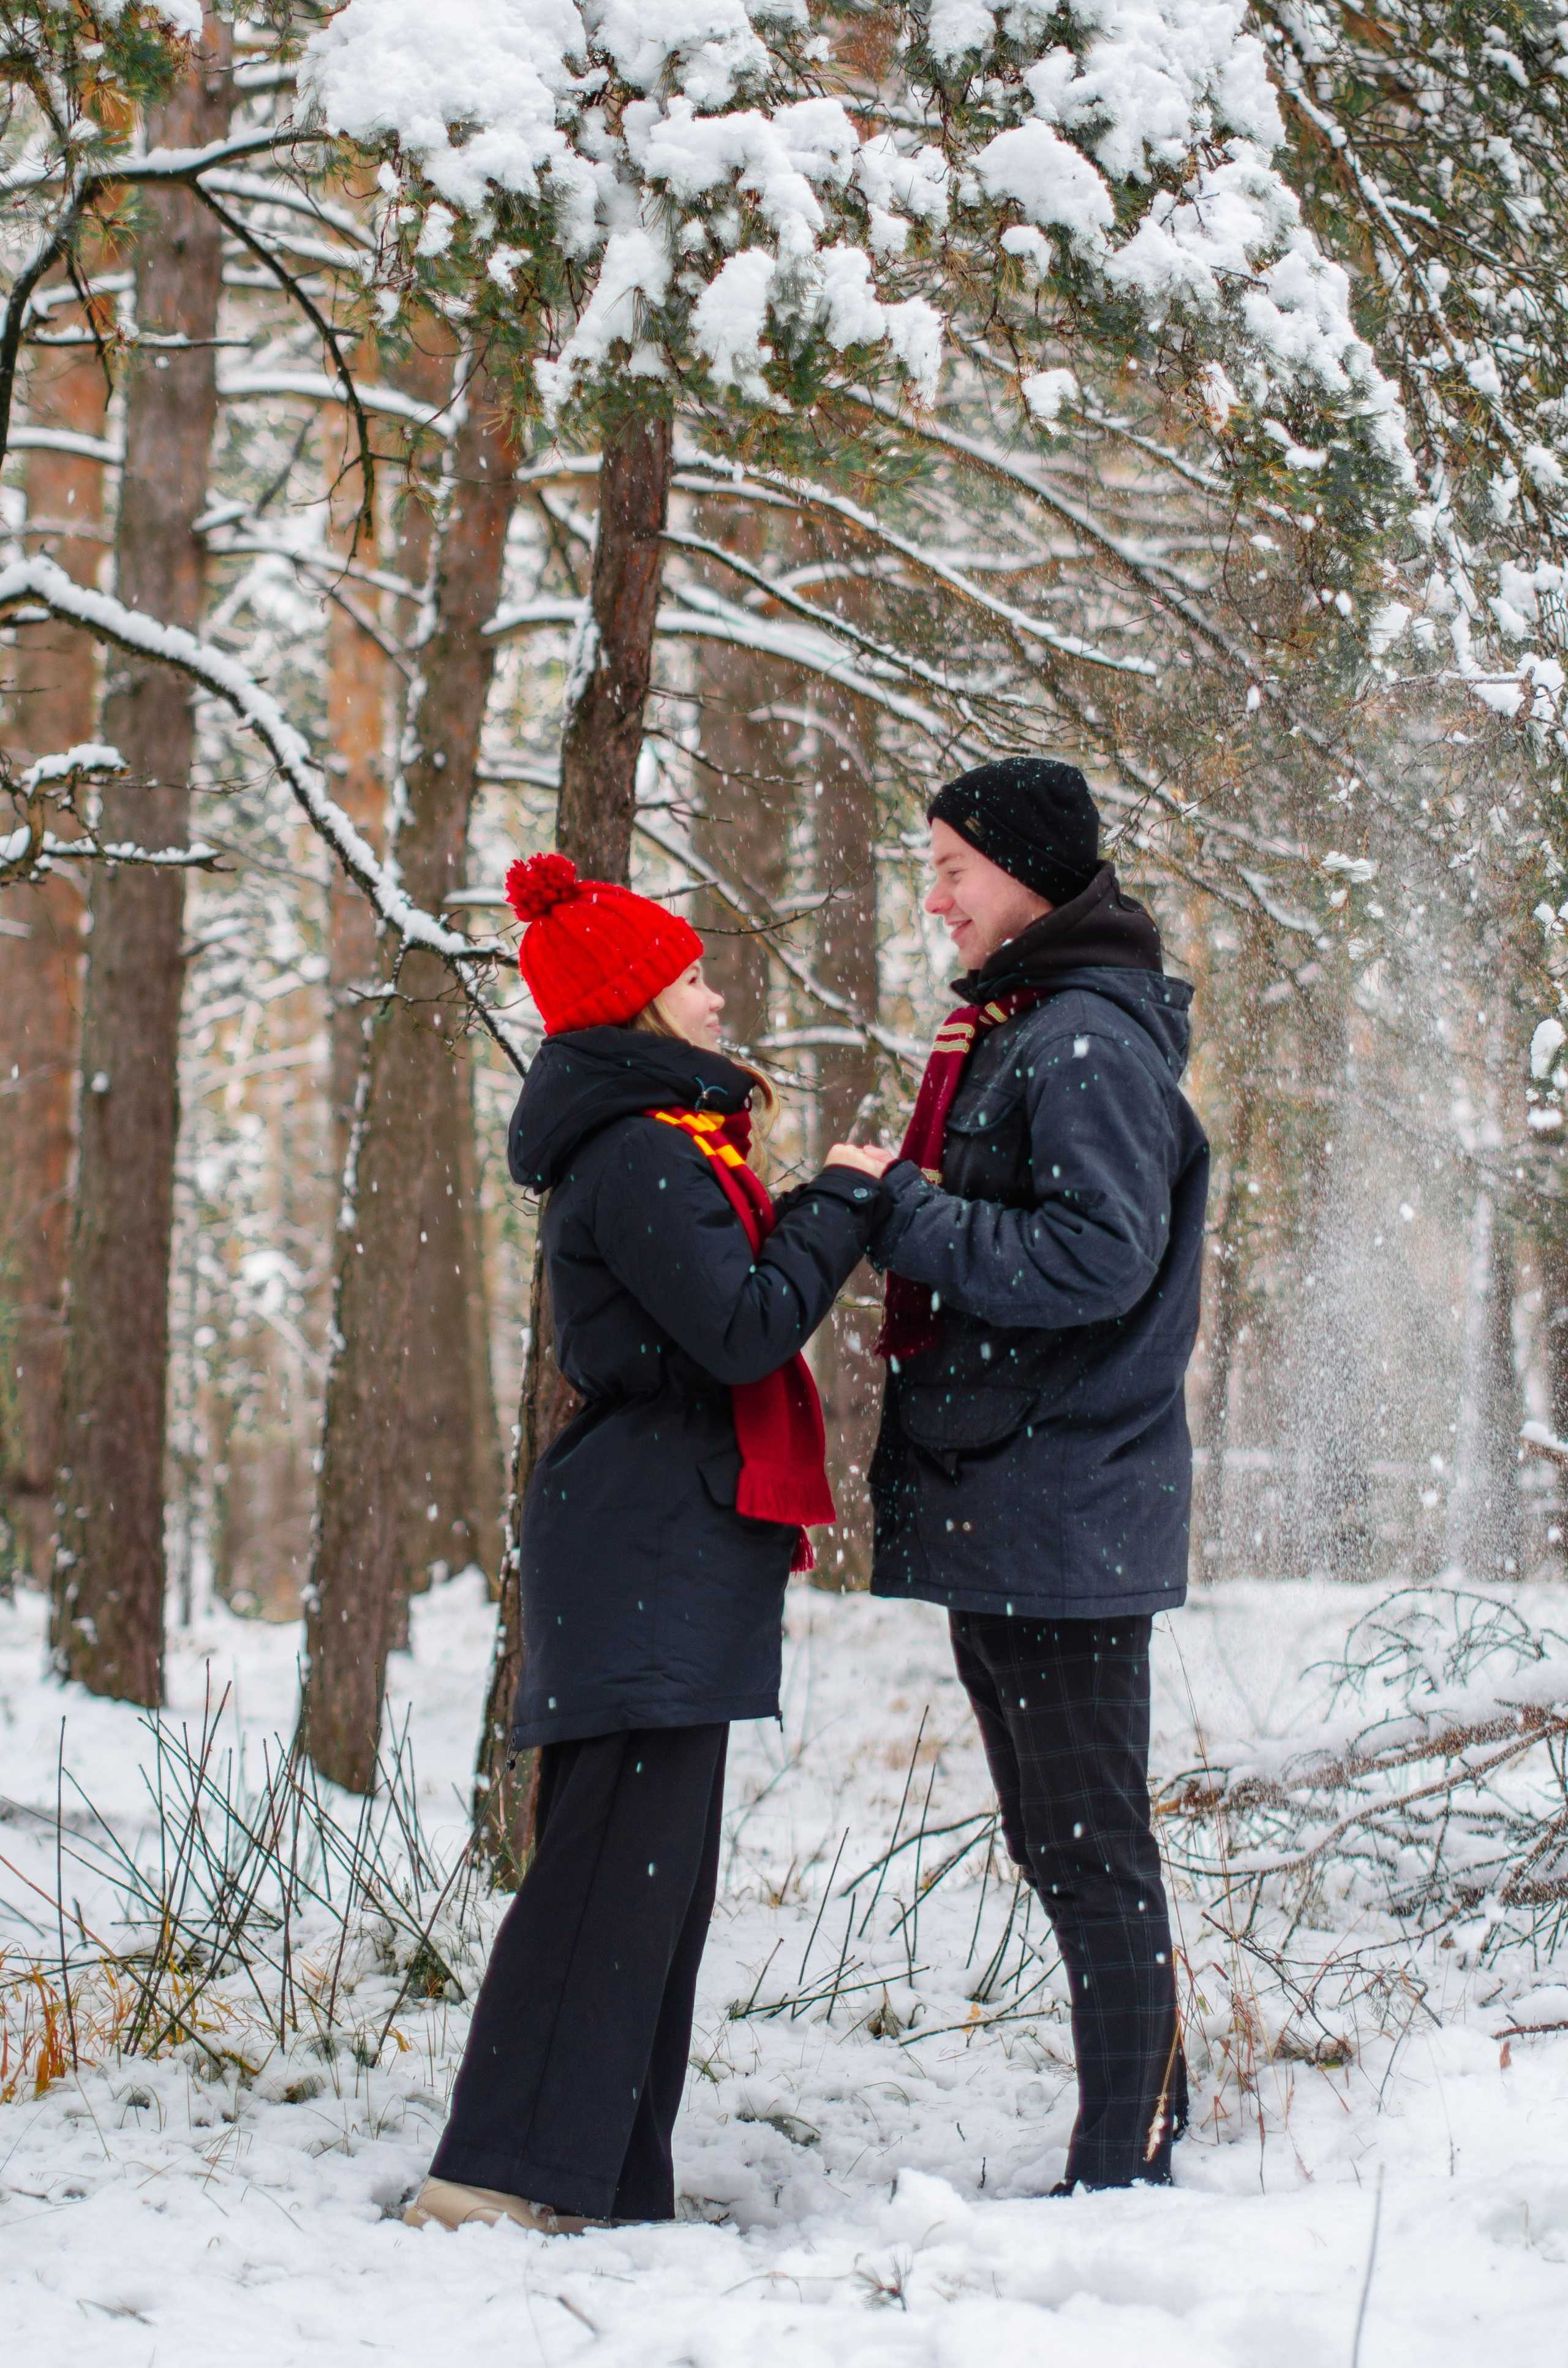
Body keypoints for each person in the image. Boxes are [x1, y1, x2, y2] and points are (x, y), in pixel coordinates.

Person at [407, 852, 894, 2237]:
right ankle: (496, 2176)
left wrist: (811, 1209)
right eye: (692, 976)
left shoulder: (662, 1143)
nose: (717, 988)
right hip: (644, 1545)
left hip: (669, 1539)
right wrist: (838, 1207)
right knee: (609, 1873)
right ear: (637, 1005)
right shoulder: (637, 1153)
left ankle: (600, 2180)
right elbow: (740, 1325)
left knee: (651, 1886)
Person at [865, 755, 1209, 2193]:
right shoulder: (1030, 1027)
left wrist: (911, 1221)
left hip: (1062, 1500)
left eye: (952, 866)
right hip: (1016, 1497)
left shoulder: (1081, 1040)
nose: (932, 895)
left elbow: (1093, 1257)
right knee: (1059, 1836)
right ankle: (1147, 2105)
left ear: (1026, 872)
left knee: (1086, 1845)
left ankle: (1119, 2157)